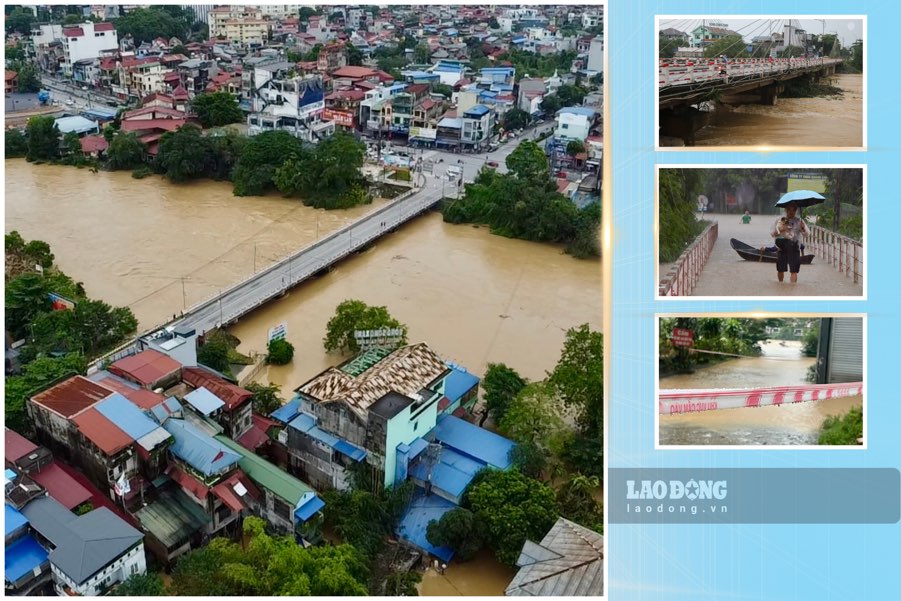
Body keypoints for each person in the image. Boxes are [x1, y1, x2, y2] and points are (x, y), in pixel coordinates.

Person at [771, 203, 807, 283]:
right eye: (789, 209)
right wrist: (780, 230)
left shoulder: (799, 221)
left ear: (796, 210)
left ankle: (792, 289)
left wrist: (803, 228)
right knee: (781, 269)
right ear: (786, 210)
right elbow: (772, 234)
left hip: (794, 246)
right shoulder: (779, 220)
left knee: (794, 270)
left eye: (793, 210)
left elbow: (807, 234)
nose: (791, 212)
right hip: (781, 246)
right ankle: (781, 285)